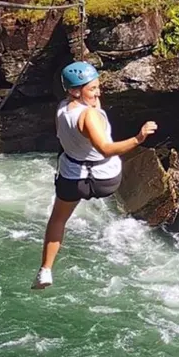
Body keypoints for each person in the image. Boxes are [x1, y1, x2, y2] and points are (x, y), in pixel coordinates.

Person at [33, 61, 157, 289]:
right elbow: (106, 149)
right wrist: (139, 138)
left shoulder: (62, 108)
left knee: (58, 219)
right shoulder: (90, 117)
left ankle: (45, 270)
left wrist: (89, 92)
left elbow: (90, 106)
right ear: (75, 91)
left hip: (72, 180)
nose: (98, 92)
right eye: (92, 89)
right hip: (105, 181)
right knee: (122, 157)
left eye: (98, 87)